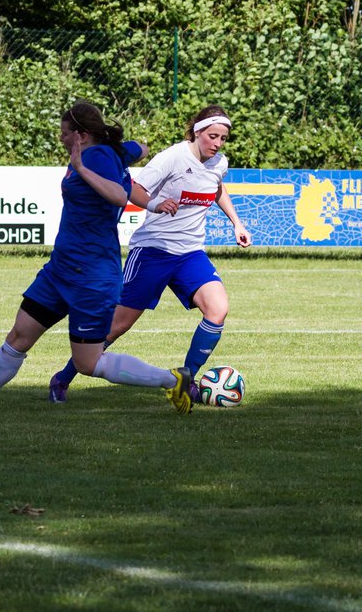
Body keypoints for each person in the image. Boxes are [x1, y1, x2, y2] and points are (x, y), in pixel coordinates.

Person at [0, 100, 198, 416]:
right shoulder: (109, 150)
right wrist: (132, 149)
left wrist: (85, 169)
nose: (60, 138)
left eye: (64, 133)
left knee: (89, 363)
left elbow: (117, 194)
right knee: (19, 335)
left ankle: (172, 379)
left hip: (92, 277)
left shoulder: (96, 157)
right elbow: (138, 147)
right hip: (60, 271)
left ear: (81, 135)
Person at [46, 105, 252, 404]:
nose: (217, 143)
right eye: (212, 136)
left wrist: (237, 222)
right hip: (153, 251)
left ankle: (185, 382)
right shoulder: (172, 158)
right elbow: (133, 188)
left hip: (190, 253)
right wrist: (155, 204)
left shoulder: (218, 162)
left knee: (218, 308)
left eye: (222, 138)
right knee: (117, 325)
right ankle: (62, 379)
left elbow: (218, 188)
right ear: (197, 132)